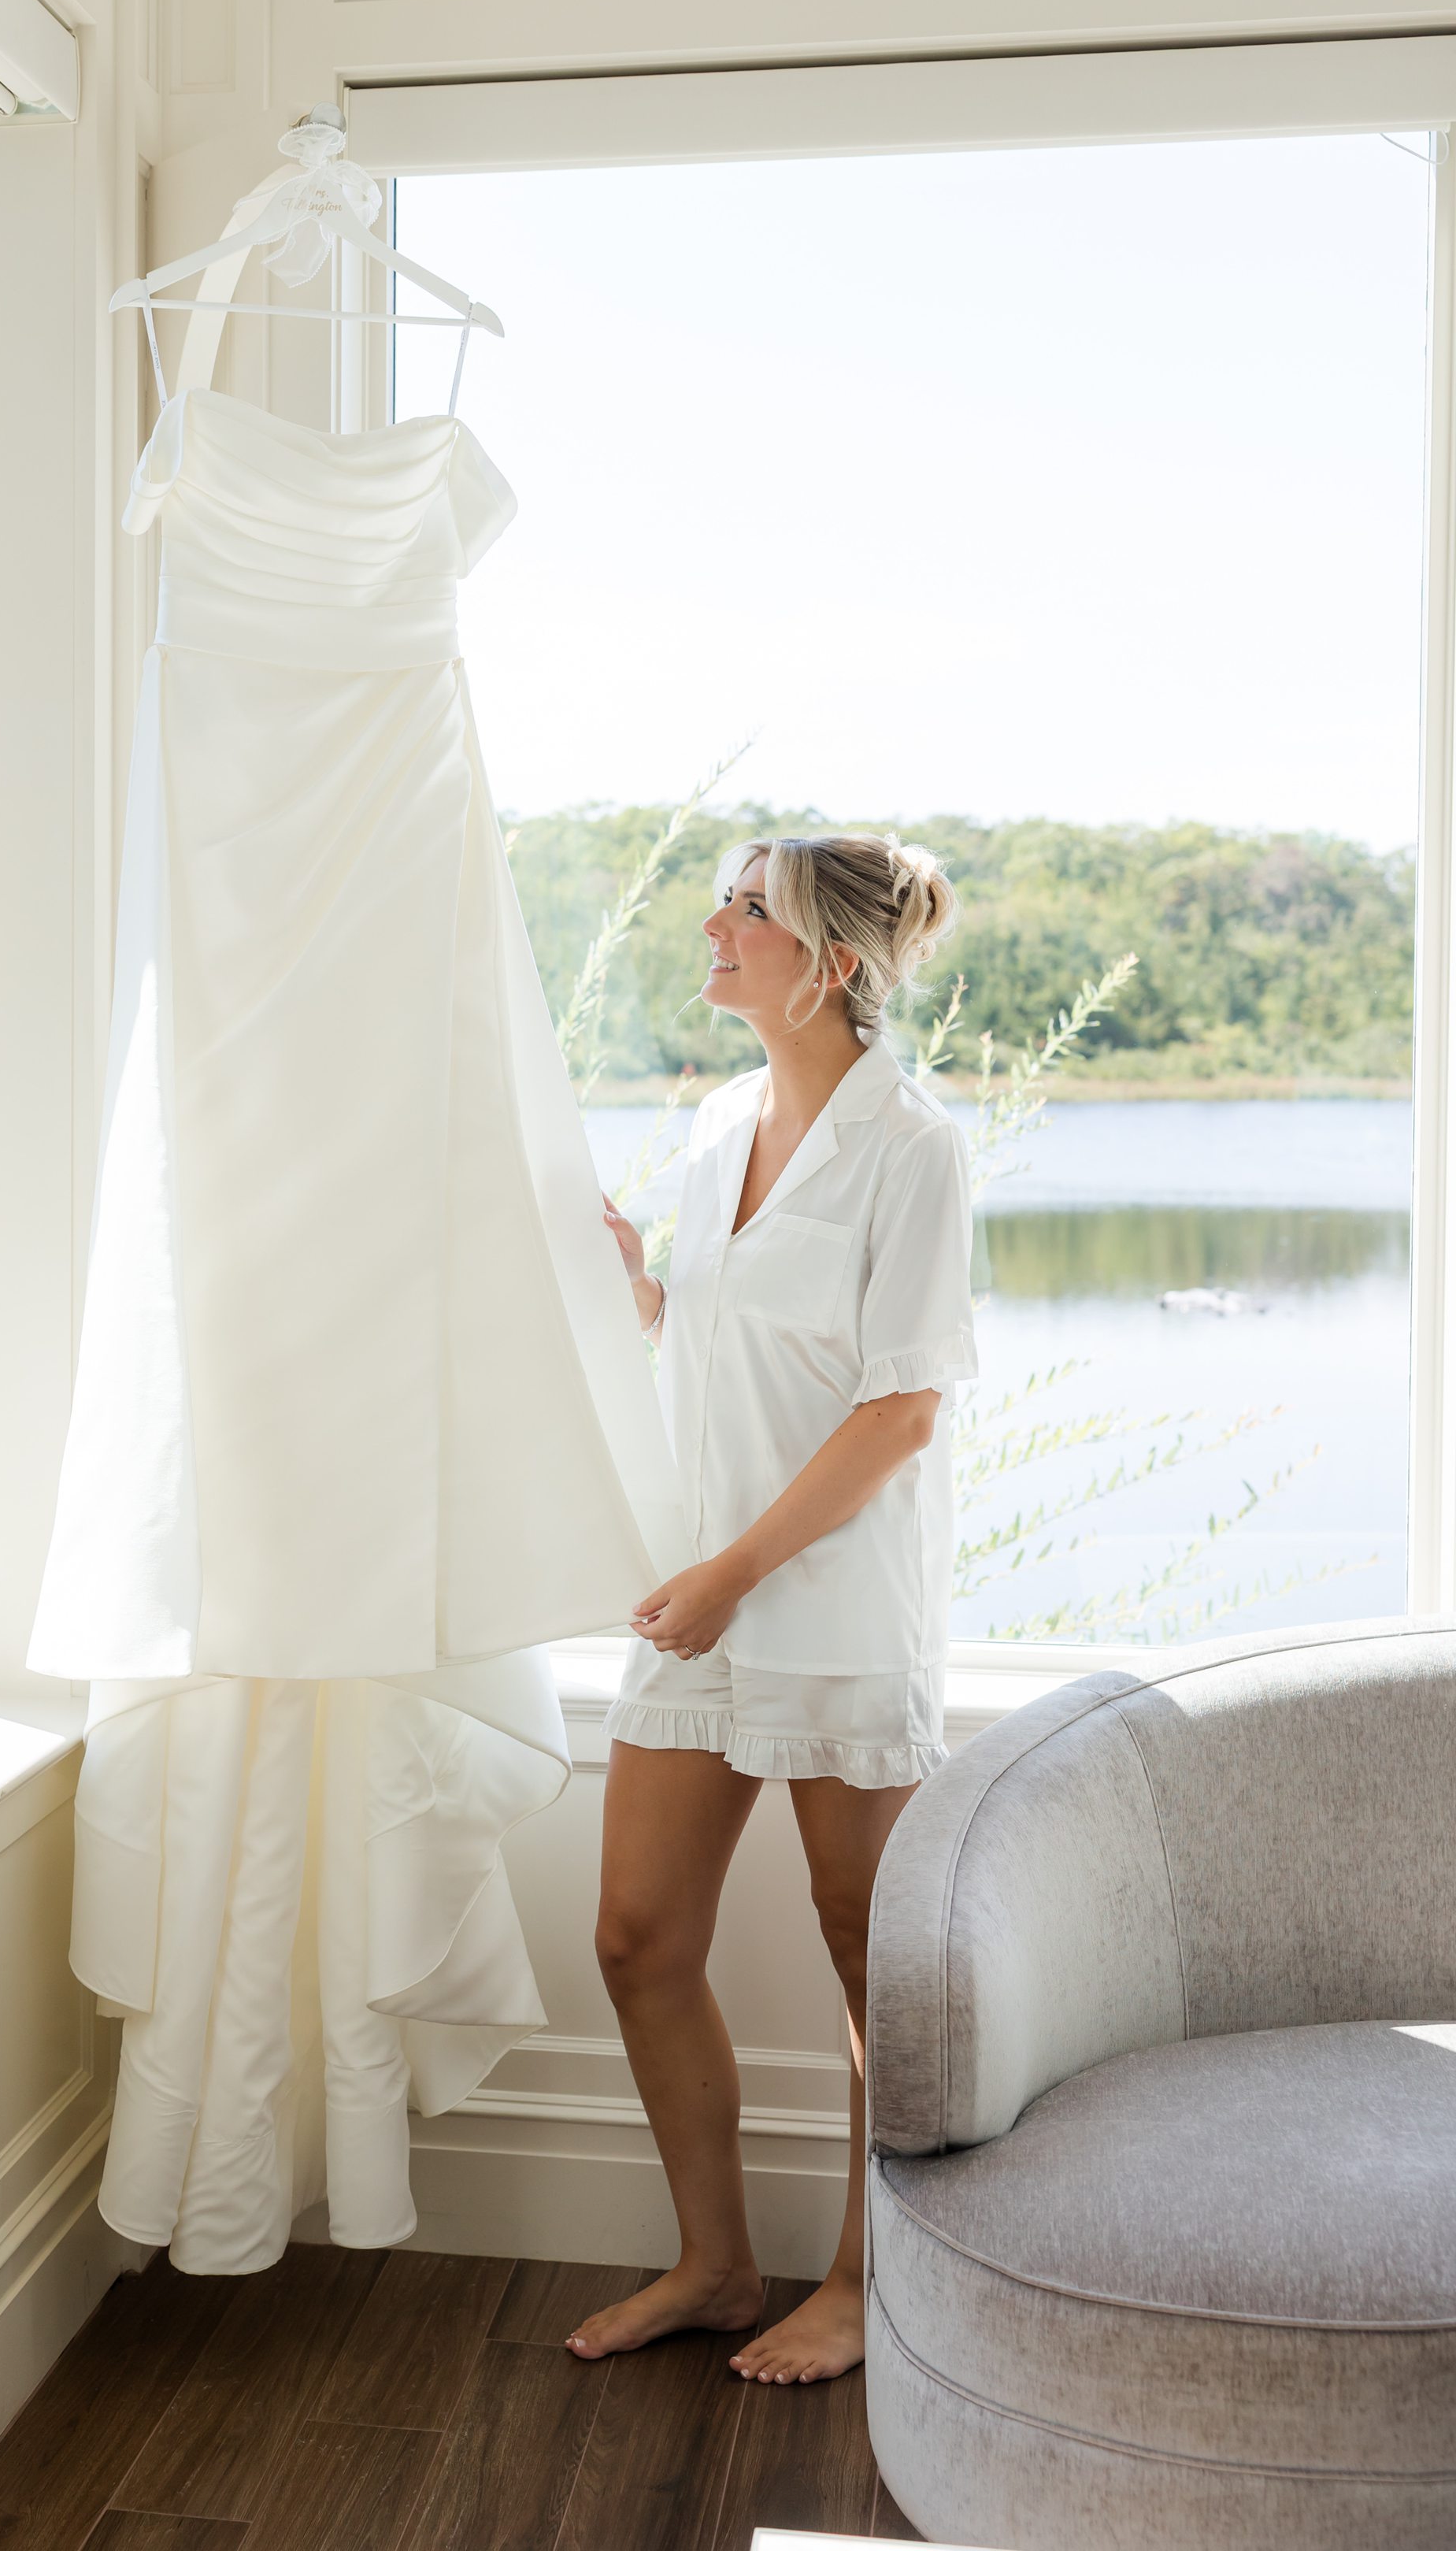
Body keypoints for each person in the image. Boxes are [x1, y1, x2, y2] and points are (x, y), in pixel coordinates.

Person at [566, 832, 974, 2386]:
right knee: (636, 1936)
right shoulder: (717, 1124)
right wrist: (637, 1291)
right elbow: (725, 1344)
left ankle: (864, 2288)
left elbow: (900, 1411)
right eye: (726, 902)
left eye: (751, 911)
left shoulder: (912, 1149)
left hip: (832, 1607)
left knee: (870, 1963)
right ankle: (717, 2265)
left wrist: (737, 1573)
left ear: (833, 965)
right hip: (704, 1594)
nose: (714, 924)